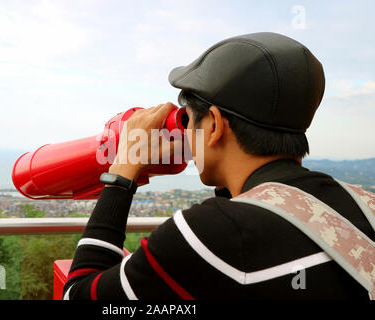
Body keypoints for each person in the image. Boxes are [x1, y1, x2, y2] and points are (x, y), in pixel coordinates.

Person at [63, 32, 375, 300]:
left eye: (188, 118)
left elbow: (77, 292)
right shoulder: (365, 206)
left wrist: (123, 170)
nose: (185, 131)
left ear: (213, 124)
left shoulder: (208, 235)